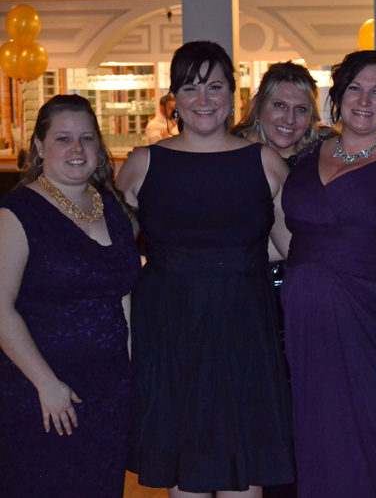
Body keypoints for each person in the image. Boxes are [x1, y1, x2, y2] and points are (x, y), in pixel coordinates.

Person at [117, 41, 294, 497]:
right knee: (184, 475)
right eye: (191, 87)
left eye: (215, 86)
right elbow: (114, 253)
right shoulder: (142, 164)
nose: (203, 99)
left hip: (243, 330)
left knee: (244, 473)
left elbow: (293, 248)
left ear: (233, 95)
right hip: (170, 331)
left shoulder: (264, 162)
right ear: (174, 97)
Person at [280, 50, 376, 497]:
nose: (365, 100)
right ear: (338, 96)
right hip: (308, 332)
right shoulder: (307, 156)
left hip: (375, 332)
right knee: (317, 446)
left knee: (371, 444)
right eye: (355, 88)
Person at [0, 94, 140, 497]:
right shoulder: (17, 212)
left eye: (87, 138)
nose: (77, 149)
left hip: (109, 393)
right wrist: (46, 384)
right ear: (40, 147)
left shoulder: (110, 206)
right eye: (63, 138)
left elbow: (122, 294)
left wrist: (130, 372)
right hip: (42, 393)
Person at [232, 61, 320, 168]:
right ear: (258, 105)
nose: (290, 119)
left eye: (301, 109)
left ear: (311, 116)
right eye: (279, 105)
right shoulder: (231, 152)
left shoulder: (324, 155)